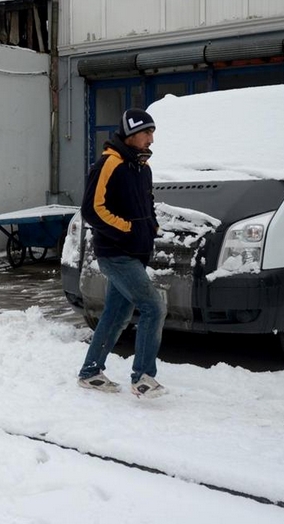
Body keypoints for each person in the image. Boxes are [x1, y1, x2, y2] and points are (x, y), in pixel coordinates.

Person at [77, 108, 167, 398]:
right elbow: (92, 209)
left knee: (117, 314)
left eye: (153, 132)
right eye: (147, 132)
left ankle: (91, 371)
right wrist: (127, 229)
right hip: (116, 253)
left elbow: (147, 204)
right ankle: (143, 377)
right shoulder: (108, 164)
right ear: (131, 134)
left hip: (135, 251)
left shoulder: (142, 167)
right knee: (153, 306)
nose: (152, 138)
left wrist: (151, 227)